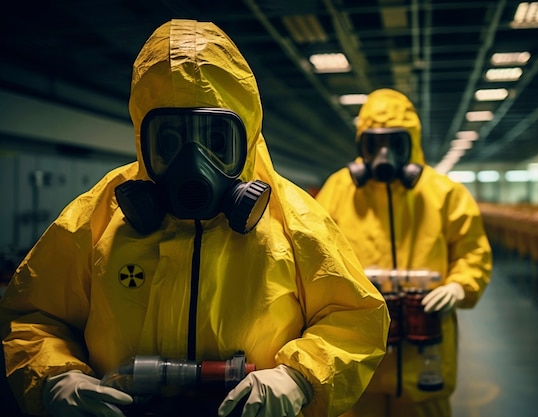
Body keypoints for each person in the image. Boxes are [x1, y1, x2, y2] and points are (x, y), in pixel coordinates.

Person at [0, 19, 390, 417]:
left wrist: (299, 377)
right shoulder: (97, 215)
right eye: (169, 142)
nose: (194, 166)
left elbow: (355, 316)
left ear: (247, 134)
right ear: (142, 139)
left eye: (216, 141)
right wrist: (55, 376)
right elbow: (34, 315)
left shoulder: (295, 218)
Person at [315, 88, 492, 417]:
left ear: (412, 143)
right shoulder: (338, 191)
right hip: (357, 357)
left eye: (395, 142)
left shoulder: (444, 194)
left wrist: (459, 285)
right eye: (373, 143)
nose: (384, 154)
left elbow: (472, 252)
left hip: (425, 353)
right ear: (360, 145)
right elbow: (313, 259)